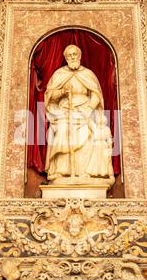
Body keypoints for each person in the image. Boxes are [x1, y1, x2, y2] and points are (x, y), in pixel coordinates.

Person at [44, 45, 114, 185]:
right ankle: (62, 171)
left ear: (80, 56)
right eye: (69, 55)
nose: (72, 57)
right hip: (65, 111)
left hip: (85, 109)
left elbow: (96, 94)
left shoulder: (88, 74)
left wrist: (89, 108)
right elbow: (50, 96)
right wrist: (62, 92)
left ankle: (85, 172)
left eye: (75, 54)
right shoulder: (59, 74)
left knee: (91, 134)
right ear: (65, 58)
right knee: (62, 130)